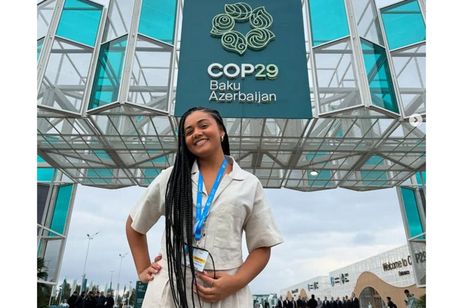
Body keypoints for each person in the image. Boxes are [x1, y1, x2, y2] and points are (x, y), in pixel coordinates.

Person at [126, 107, 283, 308]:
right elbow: (134, 225)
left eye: (203, 125)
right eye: (188, 131)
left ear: (221, 131)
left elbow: (262, 246)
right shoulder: (171, 177)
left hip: (227, 293)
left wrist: (235, 282)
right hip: (170, 291)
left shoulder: (249, 184)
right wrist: (143, 267)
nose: (196, 133)